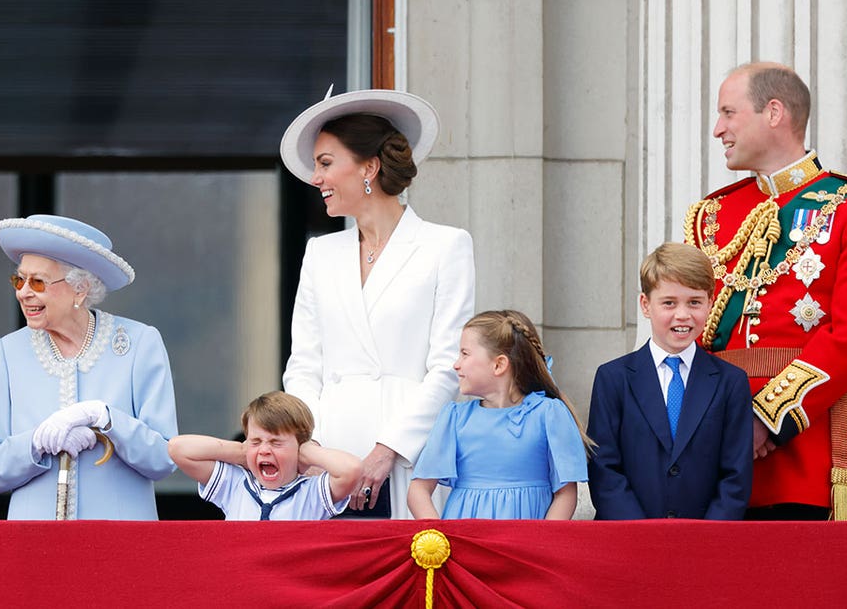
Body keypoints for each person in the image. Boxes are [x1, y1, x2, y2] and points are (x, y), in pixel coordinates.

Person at [686, 62, 847, 520]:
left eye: (728, 113)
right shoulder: (711, 215)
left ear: (774, 112)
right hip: (709, 438)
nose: (718, 129)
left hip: (799, 444)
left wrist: (768, 418)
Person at [279, 88, 476, 519]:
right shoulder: (320, 254)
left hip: (408, 458)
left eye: (326, 164)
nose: (316, 179)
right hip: (327, 464)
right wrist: (310, 448)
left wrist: (389, 449)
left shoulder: (445, 246)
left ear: (369, 166)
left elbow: (447, 366)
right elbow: (304, 366)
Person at [0, 215, 179, 520]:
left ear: (79, 289)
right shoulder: (7, 352)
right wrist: (36, 442)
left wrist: (107, 419)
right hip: (34, 543)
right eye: (19, 279)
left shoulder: (139, 344)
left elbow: (162, 459)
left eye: (37, 281)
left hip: (121, 542)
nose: (23, 292)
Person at [587, 243, 753, 520]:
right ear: (645, 305)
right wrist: (642, 534)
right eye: (669, 303)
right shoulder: (613, 378)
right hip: (629, 539)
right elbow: (604, 468)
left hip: (705, 542)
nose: (683, 315)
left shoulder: (730, 382)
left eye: (695, 302)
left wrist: (706, 537)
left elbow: (736, 474)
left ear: (710, 304)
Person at [407, 310, 591, 520]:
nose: (456, 364)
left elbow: (565, 494)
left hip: (525, 545)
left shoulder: (549, 414)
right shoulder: (455, 418)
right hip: (467, 545)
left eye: (465, 354)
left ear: (499, 364)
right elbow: (418, 491)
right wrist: (441, 540)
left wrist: (541, 544)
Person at [169, 391, 362, 520]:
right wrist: (241, 452)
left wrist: (307, 452)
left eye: (276, 443)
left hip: (287, 580)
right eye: (256, 441)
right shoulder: (235, 485)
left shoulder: (311, 494)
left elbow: (351, 470)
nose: (264, 450)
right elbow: (178, 448)